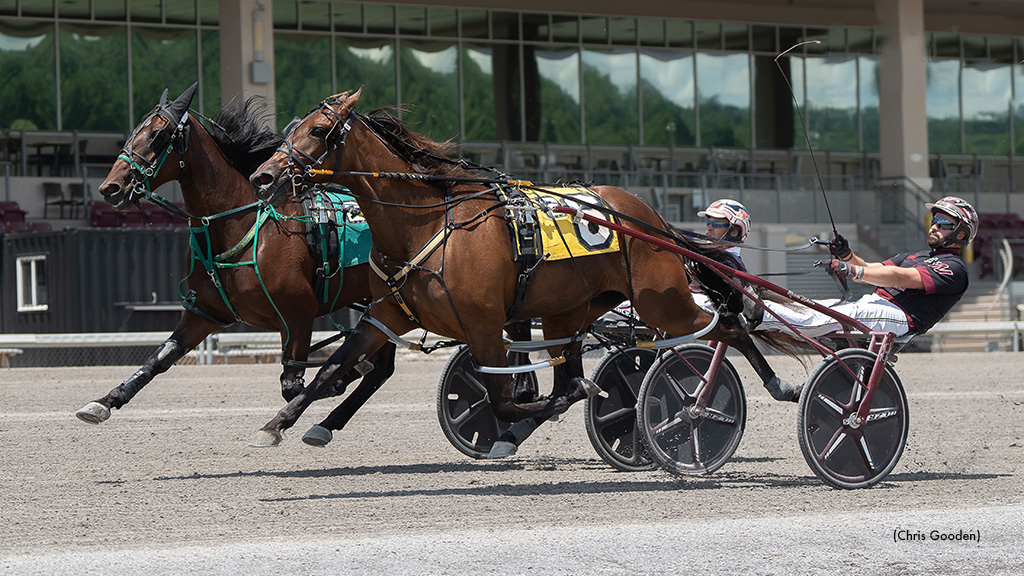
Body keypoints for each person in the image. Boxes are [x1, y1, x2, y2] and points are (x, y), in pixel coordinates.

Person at [753, 195, 977, 344]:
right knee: (818, 307)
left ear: (961, 234)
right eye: (934, 220)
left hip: (901, 317)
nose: (935, 226)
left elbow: (902, 277)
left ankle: (757, 315)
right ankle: (760, 308)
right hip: (875, 304)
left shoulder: (955, 268)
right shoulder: (913, 256)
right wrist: (847, 256)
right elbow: (870, 270)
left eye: (944, 224)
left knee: (837, 315)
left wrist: (851, 270)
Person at [598, 199, 751, 325]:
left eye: (716, 225)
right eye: (708, 224)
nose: (709, 229)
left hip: (697, 306)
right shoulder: (708, 255)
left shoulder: (731, 263)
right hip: (682, 304)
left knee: (610, 311)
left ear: (735, 231)